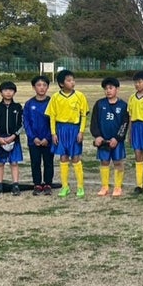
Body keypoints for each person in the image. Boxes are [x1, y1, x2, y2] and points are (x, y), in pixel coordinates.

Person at [46, 69, 89, 198]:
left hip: (74, 129)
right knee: (63, 157)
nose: (72, 82)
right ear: (61, 84)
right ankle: (65, 187)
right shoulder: (55, 97)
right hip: (61, 129)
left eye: (73, 80)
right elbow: (52, 116)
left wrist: (81, 131)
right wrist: (53, 133)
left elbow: (83, 115)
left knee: (75, 157)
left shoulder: (80, 96)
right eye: (69, 80)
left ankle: (80, 187)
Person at [90, 77, 129, 197]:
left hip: (117, 141)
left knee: (118, 162)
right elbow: (94, 121)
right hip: (103, 140)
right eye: (106, 88)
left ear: (117, 89)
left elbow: (124, 124)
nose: (108, 91)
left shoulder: (123, 105)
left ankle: (117, 187)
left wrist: (117, 138)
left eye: (111, 88)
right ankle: (104, 186)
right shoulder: (99, 104)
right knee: (104, 162)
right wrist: (97, 136)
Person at [0, 81, 24, 196]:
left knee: (14, 162)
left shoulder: (18, 107)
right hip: (0, 139)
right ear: (1, 93)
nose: (8, 92)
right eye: (5, 90)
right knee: (0, 163)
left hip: (14, 139)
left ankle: (15, 185)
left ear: (14, 92)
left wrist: (14, 136)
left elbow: (22, 124)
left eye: (11, 90)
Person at [24, 75, 54, 195]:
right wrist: (33, 138)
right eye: (39, 85)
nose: (42, 88)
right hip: (34, 141)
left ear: (47, 87)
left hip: (48, 140)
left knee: (48, 162)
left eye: (44, 85)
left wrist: (48, 137)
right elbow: (26, 123)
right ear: (33, 87)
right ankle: (37, 184)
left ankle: (48, 184)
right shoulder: (29, 104)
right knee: (35, 162)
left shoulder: (52, 102)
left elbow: (54, 122)